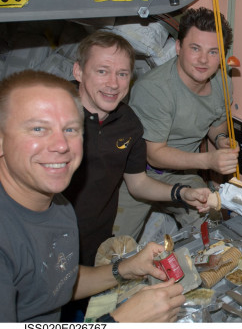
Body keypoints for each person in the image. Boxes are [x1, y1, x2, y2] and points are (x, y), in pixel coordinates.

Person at [0, 70, 185, 322]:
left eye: (70, 129)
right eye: (38, 128)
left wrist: (125, 269)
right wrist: (122, 321)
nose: (61, 145)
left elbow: (57, 282)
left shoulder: (59, 206)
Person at [63, 31, 215, 268]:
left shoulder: (128, 123)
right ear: (78, 72)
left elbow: (138, 183)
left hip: (96, 239)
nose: (113, 83)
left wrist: (182, 193)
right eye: (102, 71)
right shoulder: (53, 113)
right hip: (52, 240)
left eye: (122, 74)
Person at [114, 7, 239, 240]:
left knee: (215, 232)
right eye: (195, 49)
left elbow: (216, 123)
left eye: (213, 52)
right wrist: (209, 160)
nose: (203, 60)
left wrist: (222, 141)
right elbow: (154, 154)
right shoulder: (155, 90)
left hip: (182, 175)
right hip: (138, 176)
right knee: (115, 253)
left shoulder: (223, 82)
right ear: (179, 48)